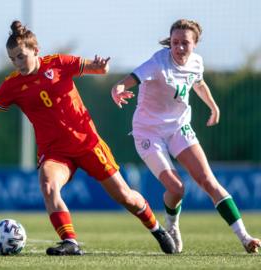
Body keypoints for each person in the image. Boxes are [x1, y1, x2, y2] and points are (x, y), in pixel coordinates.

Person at [0, 20, 176, 255]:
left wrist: (101, 67)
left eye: (21, 56)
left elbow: (98, 69)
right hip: (55, 152)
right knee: (48, 186)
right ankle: (70, 242)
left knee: (125, 196)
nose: (18, 63)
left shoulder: (58, 63)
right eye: (13, 59)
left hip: (88, 144)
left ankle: (157, 229)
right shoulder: (12, 85)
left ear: (35, 50)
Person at [111, 19, 260, 254]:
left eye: (185, 43)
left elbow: (198, 83)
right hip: (148, 131)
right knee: (177, 189)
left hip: (179, 128)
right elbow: (129, 80)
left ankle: (245, 237)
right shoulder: (158, 62)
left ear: (195, 44)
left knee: (209, 181)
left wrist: (214, 106)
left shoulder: (197, 62)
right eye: (175, 42)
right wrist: (117, 89)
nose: (179, 48)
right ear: (170, 42)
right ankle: (172, 225)